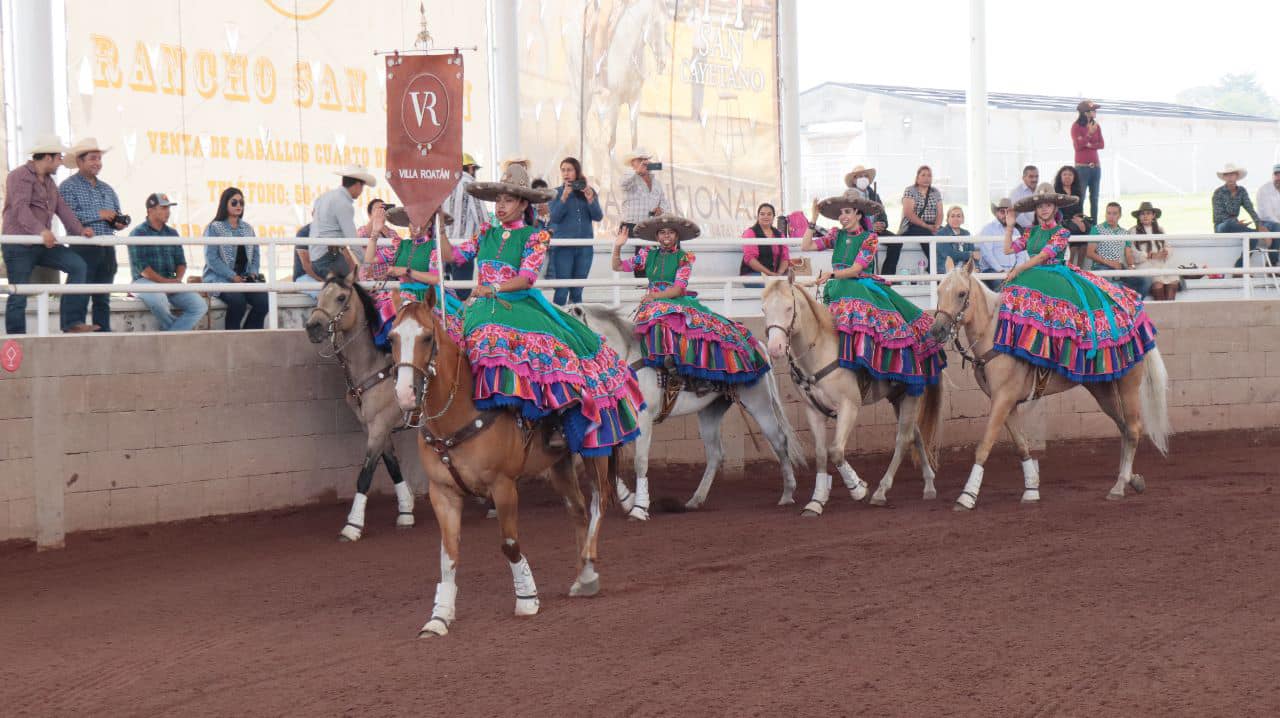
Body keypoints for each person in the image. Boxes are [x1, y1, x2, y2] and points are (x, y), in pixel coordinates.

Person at [438, 162, 644, 455]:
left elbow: (526, 278)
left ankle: (553, 421)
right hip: (481, 306)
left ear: (523, 204)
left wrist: (493, 288)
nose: (500, 206)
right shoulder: (485, 233)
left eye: (508, 200)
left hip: (518, 303)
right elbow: (452, 255)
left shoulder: (534, 237)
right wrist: (439, 226)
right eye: (498, 200)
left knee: (549, 354)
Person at [997, 185, 1156, 382]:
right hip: (1033, 274)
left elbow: (1041, 257)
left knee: (1065, 313)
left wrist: (1017, 270)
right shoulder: (1030, 232)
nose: (1044, 209)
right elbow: (1007, 249)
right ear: (1036, 211)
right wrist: (1010, 226)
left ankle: (1057, 360)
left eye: (1048, 205)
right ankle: (1027, 357)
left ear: (1055, 208)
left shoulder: (1062, 232)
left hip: (1053, 274)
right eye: (1040, 207)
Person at [799, 190, 945, 394]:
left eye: (847, 212)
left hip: (859, 286)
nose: (843, 217)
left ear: (858, 214)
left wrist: (833, 274)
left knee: (874, 322)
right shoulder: (835, 234)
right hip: (836, 288)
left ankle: (875, 370)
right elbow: (806, 246)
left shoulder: (870, 238)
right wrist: (812, 221)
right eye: (841, 213)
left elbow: (857, 269)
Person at [613, 214, 769, 388]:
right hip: (651, 304)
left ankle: (683, 374)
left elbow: (678, 289)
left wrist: (655, 296)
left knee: (682, 328)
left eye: (670, 232)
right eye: (662, 232)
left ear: (677, 236)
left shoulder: (683, 258)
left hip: (675, 302)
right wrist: (618, 246)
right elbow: (617, 266)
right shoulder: (647, 254)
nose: (666, 236)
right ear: (657, 236)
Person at [1, 134, 98, 334]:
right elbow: (20, 210)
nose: (61, 161)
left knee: (78, 265)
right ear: (47, 158)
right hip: (19, 245)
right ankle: (17, 342)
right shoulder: (18, 176)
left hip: (42, 243)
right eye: (59, 157)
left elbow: (62, 209)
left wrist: (80, 230)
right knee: (19, 293)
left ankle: (72, 324)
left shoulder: (50, 183)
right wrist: (42, 230)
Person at [360, 206, 463, 346]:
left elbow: (435, 278)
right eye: (411, 221)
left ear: (429, 224)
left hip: (428, 296)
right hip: (403, 294)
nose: (414, 225)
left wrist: (407, 271)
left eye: (420, 221)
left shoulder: (434, 247)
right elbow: (369, 260)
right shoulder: (400, 245)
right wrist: (375, 232)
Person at [58, 137, 125, 331]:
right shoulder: (68, 186)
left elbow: (117, 215)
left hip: (107, 246)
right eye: (92, 158)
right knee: (80, 290)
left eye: (99, 159)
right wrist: (100, 214)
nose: (97, 163)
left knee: (102, 295)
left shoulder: (108, 189)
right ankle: (73, 325)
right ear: (79, 161)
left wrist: (118, 222)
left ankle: (102, 329)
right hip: (83, 246)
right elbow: (68, 217)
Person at [128, 193, 207, 331]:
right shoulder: (137, 233)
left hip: (169, 281)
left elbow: (181, 263)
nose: (168, 212)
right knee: (160, 300)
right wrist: (166, 283)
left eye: (168, 208)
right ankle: (174, 335)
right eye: (163, 208)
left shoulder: (172, 233)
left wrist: (176, 280)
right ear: (150, 210)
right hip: (143, 281)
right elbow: (142, 269)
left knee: (200, 305)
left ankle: (170, 336)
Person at [300, 165, 375, 292]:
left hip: (318, 255)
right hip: (328, 256)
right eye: (362, 187)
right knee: (353, 290)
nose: (361, 191)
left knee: (348, 290)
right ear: (358, 185)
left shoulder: (325, 197)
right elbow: (352, 240)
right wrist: (365, 265)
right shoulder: (343, 203)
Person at [203, 187, 267, 330]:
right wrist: (232, 276)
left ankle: (248, 338)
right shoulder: (214, 228)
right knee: (238, 301)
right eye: (234, 202)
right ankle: (233, 340)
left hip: (244, 279)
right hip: (220, 279)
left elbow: (256, 254)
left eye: (241, 202)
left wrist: (253, 272)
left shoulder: (248, 228)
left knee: (264, 301)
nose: (239, 206)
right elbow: (211, 258)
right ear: (225, 204)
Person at [547, 157, 603, 306]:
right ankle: (558, 326)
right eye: (563, 170)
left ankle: (576, 326)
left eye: (569, 170)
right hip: (563, 249)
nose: (566, 173)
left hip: (584, 249)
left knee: (577, 292)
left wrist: (590, 199)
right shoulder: (555, 193)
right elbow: (554, 218)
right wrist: (564, 197)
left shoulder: (588, 192)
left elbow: (598, 216)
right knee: (562, 291)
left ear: (577, 171)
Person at [1213, 163, 1280, 267]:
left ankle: (1240, 266)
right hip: (1222, 226)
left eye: (1232, 174)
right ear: (1224, 177)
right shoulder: (1218, 192)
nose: (1230, 177)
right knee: (1230, 224)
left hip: (1235, 224)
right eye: (1227, 175)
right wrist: (1235, 222)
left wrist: (1259, 225)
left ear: (1237, 176)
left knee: (1254, 235)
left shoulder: (1242, 191)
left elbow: (1250, 209)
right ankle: (1240, 268)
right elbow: (1218, 216)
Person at [619, 148, 672, 278]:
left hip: (650, 225)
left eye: (646, 159)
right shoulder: (629, 178)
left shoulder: (657, 183)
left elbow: (665, 203)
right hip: (631, 225)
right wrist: (637, 172)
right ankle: (641, 281)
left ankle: (666, 278)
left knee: (670, 237)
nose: (645, 162)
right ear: (633, 163)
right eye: (640, 160)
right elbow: (622, 184)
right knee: (643, 243)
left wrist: (661, 210)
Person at [440, 152, 486, 300]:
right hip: (463, 247)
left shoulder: (443, 185)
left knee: (445, 293)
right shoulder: (470, 185)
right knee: (463, 294)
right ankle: (461, 322)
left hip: (443, 245)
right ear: (471, 168)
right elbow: (483, 220)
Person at [888, 165, 942, 275]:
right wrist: (927, 226)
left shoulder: (935, 192)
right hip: (913, 225)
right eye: (923, 175)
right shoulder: (910, 190)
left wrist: (936, 226)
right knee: (926, 235)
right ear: (917, 177)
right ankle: (934, 271)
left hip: (932, 225)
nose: (926, 178)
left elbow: (940, 212)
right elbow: (909, 213)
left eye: (929, 175)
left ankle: (943, 271)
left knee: (946, 235)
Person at [1088, 202, 1147, 297]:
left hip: (1119, 268)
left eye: (1114, 213)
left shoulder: (1124, 232)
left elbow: (1128, 254)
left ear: (1119, 215)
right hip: (1101, 267)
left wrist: (1131, 266)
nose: (1111, 216)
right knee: (1112, 286)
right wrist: (1109, 262)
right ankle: (1123, 293)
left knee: (1144, 282)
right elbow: (1090, 253)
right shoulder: (1097, 229)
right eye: (1108, 213)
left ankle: (1132, 304)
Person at [976, 199, 1029, 289]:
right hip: (993, 270)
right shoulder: (988, 229)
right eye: (1002, 212)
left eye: (1008, 212)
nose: (1005, 215)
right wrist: (1000, 270)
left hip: (1012, 270)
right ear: (996, 213)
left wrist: (1016, 270)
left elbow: (1021, 254)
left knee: (1027, 282)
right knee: (1003, 286)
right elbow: (987, 254)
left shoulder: (1015, 231)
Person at [1131, 201, 1178, 301]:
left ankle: (1170, 312)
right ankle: (1162, 313)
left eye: (1148, 213)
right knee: (1158, 282)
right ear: (1138, 217)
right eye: (1142, 214)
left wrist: (1166, 253)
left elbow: (1168, 246)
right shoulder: (1133, 231)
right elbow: (1133, 252)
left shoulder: (1160, 230)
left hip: (1161, 263)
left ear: (1153, 215)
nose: (1145, 216)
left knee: (1173, 281)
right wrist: (1150, 255)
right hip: (1145, 265)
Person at [740, 202, 791, 284]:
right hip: (753, 274)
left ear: (773, 217)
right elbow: (750, 259)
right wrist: (770, 274)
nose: (765, 217)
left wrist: (779, 274)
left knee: (790, 285)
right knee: (771, 287)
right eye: (762, 214)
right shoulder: (750, 233)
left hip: (774, 275)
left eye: (769, 214)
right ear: (758, 216)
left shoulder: (779, 234)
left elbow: (785, 257)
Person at [1071, 99, 1104, 221]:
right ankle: (1080, 224)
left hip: (1096, 167)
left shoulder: (1097, 126)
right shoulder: (1076, 127)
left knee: (1094, 198)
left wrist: (1089, 144)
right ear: (1085, 112)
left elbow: (1101, 144)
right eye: (1093, 110)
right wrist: (1089, 135)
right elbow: (1078, 146)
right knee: (1081, 197)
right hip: (1082, 167)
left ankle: (1094, 224)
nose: (1095, 112)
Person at [1054, 165, 1091, 265]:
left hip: (1076, 217)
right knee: (1074, 229)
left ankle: (1080, 267)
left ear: (1074, 177)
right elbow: (1059, 212)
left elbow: (1079, 209)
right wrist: (1075, 221)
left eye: (1070, 174)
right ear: (1060, 177)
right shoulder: (1056, 191)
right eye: (1065, 174)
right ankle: (1071, 266)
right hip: (1062, 219)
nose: (1067, 177)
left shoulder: (1077, 191)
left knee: (1087, 228)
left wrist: (1079, 219)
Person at [1254, 164, 1280, 267]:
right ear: (1272, 176)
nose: (1279, 178)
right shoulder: (1264, 190)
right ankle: (1272, 265)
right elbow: (1267, 215)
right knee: (1277, 227)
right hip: (1265, 224)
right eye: (1276, 175)